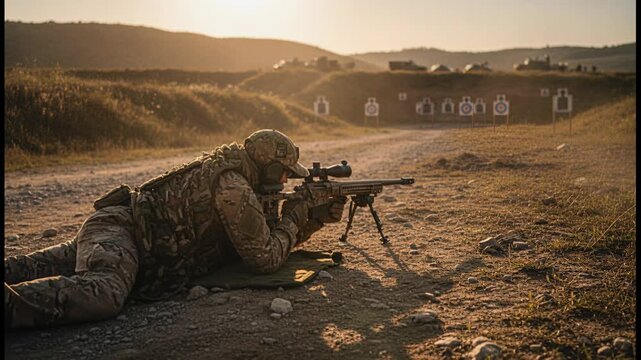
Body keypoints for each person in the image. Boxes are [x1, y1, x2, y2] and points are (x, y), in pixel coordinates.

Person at [5, 129, 346, 329]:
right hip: (124, 231)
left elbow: (260, 240)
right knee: (104, 294)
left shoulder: (241, 179)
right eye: (284, 172)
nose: (287, 180)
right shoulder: (234, 187)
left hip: (134, 241)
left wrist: (313, 220)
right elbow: (264, 258)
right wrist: (297, 216)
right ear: (266, 167)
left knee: (24, 268)